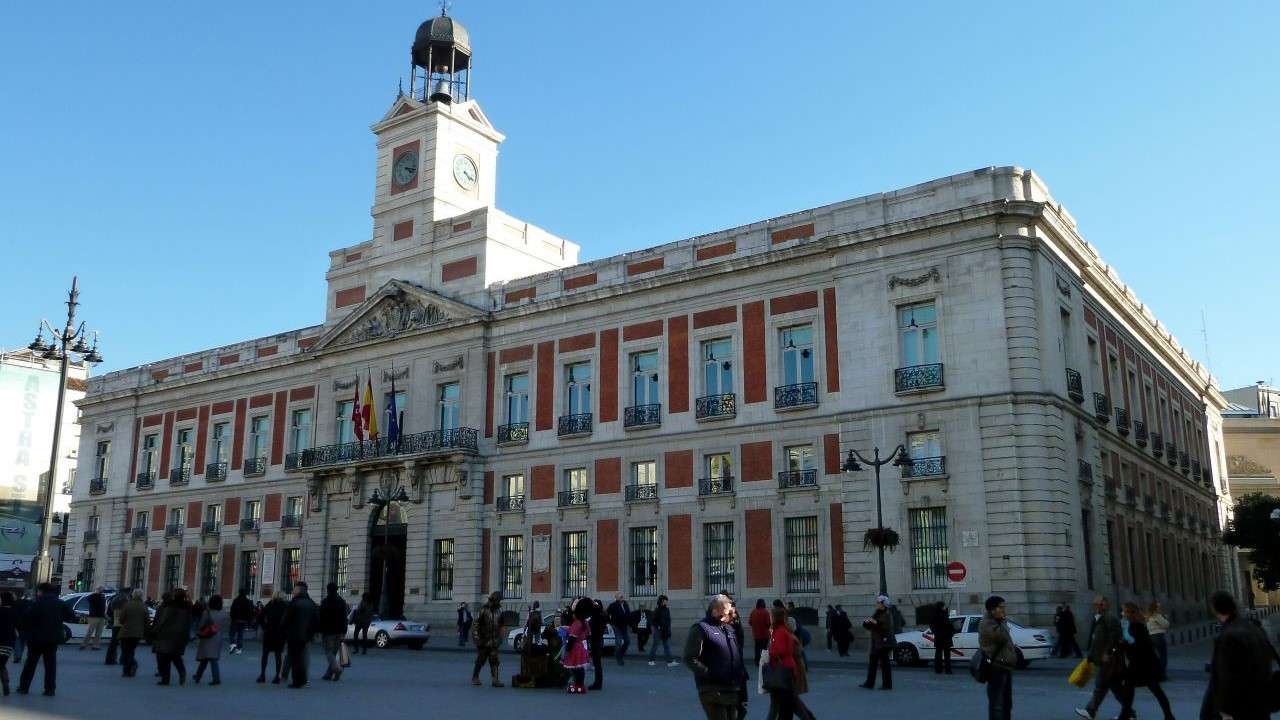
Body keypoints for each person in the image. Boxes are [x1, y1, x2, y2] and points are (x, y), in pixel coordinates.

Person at [1202, 591, 1272, 720]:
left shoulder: (1228, 636)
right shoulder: (1255, 629)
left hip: (1240, 706)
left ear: (1215, 609)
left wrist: (1225, 710)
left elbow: (1226, 676)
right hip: (1260, 703)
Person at [683, 594, 748, 720]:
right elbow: (689, 657)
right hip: (713, 689)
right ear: (715, 611)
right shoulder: (701, 628)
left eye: (731, 612)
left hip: (732, 688)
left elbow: (738, 654)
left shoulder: (729, 629)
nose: (731, 615)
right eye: (727, 612)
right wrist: (708, 673)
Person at [1113, 602, 1174, 720]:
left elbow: (1136, 645)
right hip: (1142, 664)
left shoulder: (1137, 626)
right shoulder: (1133, 625)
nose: (1122, 613)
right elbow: (1126, 642)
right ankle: (1168, 716)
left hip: (1143, 664)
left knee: (1151, 690)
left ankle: (1169, 716)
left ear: (1130, 613)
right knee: (1133, 690)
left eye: (1124, 611)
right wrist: (1118, 646)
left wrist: (1122, 644)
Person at [14, 583, 73, 696]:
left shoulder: (37, 604)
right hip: (53, 638)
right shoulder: (61, 603)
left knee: (30, 664)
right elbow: (70, 616)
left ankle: (24, 687)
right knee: (50, 665)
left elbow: (26, 619)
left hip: (36, 638)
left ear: (41, 591)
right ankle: (50, 689)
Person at [1075, 596, 1125, 720]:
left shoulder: (1110, 618)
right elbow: (1096, 641)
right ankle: (1129, 713)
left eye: (1101, 604)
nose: (1098, 606)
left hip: (1109, 660)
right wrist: (1091, 656)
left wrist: (1108, 652)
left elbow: (1117, 638)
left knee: (1101, 685)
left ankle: (1090, 711)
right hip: (1103, 659)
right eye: (1097, 604)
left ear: (1106, 605)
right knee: (1116, 688)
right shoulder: (1099, 619)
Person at [979, 596, 1017, 720]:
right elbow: (1002, 637)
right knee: (997, 704)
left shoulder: (997, 622)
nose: (1003, 610)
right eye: (1001, 607)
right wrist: (1002, 621)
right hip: (996, 668)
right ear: (992, 609)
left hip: (1005, 666)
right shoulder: (987, 623)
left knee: (1007, 702)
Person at [151, 588, 192, 686]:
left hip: (167, 634)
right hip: (180, 635)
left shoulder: (169, 607)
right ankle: (182, 672)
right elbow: (188, 623)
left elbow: (163, 621)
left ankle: (166, 679)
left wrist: (155, 631)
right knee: (176, 656)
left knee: (165, 657)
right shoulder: (187, 608)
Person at [281, 582, 319, 688]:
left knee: (295, 659)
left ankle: (296, 681)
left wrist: (284, 630)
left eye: (294, 589)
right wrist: (311, 634)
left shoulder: (294, 603)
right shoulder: (311, 603)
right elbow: (316, 620)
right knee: (303, 657)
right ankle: (303, 679)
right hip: (306, 636)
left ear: (298, 590)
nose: (293, 591)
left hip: (294, 635)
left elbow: (286, 619)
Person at [860, 595, 894, 690]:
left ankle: (887, 685)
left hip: (883, 641)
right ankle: (869, 683)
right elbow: (871, 625)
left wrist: (874, 622)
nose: (877, 604)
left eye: (878, 602)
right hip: (876, 641)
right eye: (877, 602)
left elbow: (884, 626)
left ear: (883, 604)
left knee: (885, 664)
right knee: (872, 662)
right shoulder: (877, 613)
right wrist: (866, 623)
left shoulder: (887, 613)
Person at [193, 594, 228, 685]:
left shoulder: (207, 613)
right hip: (218, 636)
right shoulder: (224, 613)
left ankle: (210, 678)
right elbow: (226, 625)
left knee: (205, 658)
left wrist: (199, 630)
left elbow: (201, 624)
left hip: (208, 636)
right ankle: (199, 675)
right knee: (213, 658)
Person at [470, 591, 504, 687]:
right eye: (499, 601)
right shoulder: (483, 610)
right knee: (480, 659)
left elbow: (501, 625)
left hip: (494, 641)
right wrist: (477, 640)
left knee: (494, 660)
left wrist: (500, 638)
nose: (500, 603)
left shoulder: (499, 611)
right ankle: (475, 677)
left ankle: (495, 680)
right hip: (484, 640)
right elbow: (475, 625)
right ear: (494, 600)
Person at [318, 583, 349, 681]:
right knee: (334, 652)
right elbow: (345, 618)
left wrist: (319, 629)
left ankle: (336, 669)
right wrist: (344, 631)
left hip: (328, 631)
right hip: (339, 631)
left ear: (328, 590)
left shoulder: (325, 602)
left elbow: (321, 617)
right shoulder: (342, 602)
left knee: (328, 652)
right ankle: (329, 674)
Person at [256, 591, 288, 684]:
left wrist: (264, 626)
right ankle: (277, 676)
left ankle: (262, 675)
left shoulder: (270, 604)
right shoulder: (285, 606)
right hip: (280, 633)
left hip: (269, 632)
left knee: (265, 654)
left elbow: (260, 616)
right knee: (278, 655)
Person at [562, 601, 592, 694]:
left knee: (575, 667)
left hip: (575, 647)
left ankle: (578, 684)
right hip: (581, 646)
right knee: (580, 668)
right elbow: (587, 634)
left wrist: (567, 650)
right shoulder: (584, 622)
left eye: (573, 614)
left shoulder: (577, 623)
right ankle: (580, 684)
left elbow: (571, 638)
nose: (572, 616)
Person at [117, 590, 148, 678]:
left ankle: (128, 669)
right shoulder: (144, 606)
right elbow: (146, 620)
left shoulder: (127, 605)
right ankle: (130, 668)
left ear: (133, 595)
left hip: (125, 632)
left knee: (125, 650)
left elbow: (121, 619)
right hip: (137, 633)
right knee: (131, 650)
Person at [648, 594, 677, 666]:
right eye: (665, 601)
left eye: (666, 601)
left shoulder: (667, 609)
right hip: (658, 630)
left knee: (666, 645)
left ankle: (669, 661)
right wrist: (658, 626)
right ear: (661, 601)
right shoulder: (657, 609)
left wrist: (668, 629)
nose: (666, 602)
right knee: (655, 645)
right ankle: (651, 660)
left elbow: (668, 620)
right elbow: (653, 621)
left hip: (665, 630)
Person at [104, 587, 129, 665]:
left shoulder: (113, 599)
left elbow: (109, 612)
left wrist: (112, 619)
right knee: (124, 643)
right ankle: (123, 659)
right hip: (123, 623)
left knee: (113, 642)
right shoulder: (125, 600)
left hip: (115, 623)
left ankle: (110, 659)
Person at [607, 592, 633, 666]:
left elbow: (628, 614)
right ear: (617, 598)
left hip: (624, 625)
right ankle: (619, 658)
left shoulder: (625, 604)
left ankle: (620, 653)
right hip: (616, 625)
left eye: (622, 596)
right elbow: (607, 613)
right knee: (618, 642)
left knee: (627, 641)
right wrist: (610, 622)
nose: (622, 598)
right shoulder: (613, 605)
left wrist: (630, 624)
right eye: (620, 597)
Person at [1146, 601, 1169, 682]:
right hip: (1159, 636)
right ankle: (1162, 675)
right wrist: (1165, 618)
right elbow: (1166, 625)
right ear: (1155, 608)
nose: (1160, 608)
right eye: (1158, 607)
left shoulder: (1149, 616)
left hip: (1151, 636)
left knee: (1154, 657)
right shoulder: (1157, 616)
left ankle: (1153, 674)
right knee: (1163, 656)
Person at [929, 601, 955, 674]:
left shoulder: (935, 614)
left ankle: (938, 669)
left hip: (939, 637)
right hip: (945, 636)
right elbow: (948, 624)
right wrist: (952, 631)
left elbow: (931, 625)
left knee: (938, 654)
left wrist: (936, 632)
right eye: (944, 606)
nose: (945, 607)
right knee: (946, 655)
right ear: (941, 607)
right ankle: (947, 670)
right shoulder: (943, 614)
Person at [587, 597, 607, 689]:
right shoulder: (601, 616)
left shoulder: (595, 618)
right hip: (599, 640)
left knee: (597, 663)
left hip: (595, 641)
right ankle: (598, 682)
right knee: (597, 663)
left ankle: (597, 683)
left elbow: (591, 631)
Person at [0, 592, 17, 695]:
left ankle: (5, 683)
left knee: (1, 665)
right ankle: (5, 683)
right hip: (9, 643)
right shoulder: (15, 612)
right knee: (1, 664)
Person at [80, 586, 107, 651]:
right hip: (93, 616)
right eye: (101, 589)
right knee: (90, 631)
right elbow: (88, 599)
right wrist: (96, 593)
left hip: (101, 616)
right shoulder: (93, 596)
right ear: (97, 589)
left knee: (99, 632)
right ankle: (84, 644)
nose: (102, 590)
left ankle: (96, 645)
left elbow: (104, 606)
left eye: (102, 589)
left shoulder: (103, 596)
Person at [229, 588, 254, 655]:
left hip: (235, 620)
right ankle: (239, 649)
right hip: (243, 621)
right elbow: (250, 612)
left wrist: (232, 617)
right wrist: (249, 622)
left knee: (232, 633)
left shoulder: (235, 600)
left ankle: (233, 643)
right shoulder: (248, 601)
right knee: (240, 635)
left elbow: (232, 610)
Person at [748, 599, 771, 664]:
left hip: (756, 634)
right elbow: (768, 623)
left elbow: (750, 623)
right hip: (764, 634)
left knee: (757, 648)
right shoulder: (766, 612)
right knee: (764, 649)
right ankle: (764, 662)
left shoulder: (753, 612)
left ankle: (757, 661)